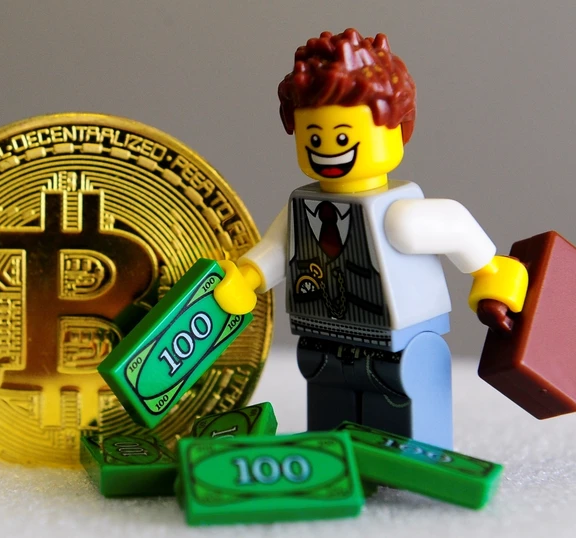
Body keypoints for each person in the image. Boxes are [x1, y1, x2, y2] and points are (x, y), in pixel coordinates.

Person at [214, 28, 527, 449]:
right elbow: (276, 250)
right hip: (322, 336)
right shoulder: (302, 209)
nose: (328, 149)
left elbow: (457, 229)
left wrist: (492, 275)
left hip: (402, 342)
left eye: (343, 137)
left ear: (399, 129)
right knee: (330, 407)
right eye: (314, 137)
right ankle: (335, 457)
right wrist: (247, 278)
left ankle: (411, 460)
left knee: (401, 405)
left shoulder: (401, 214)